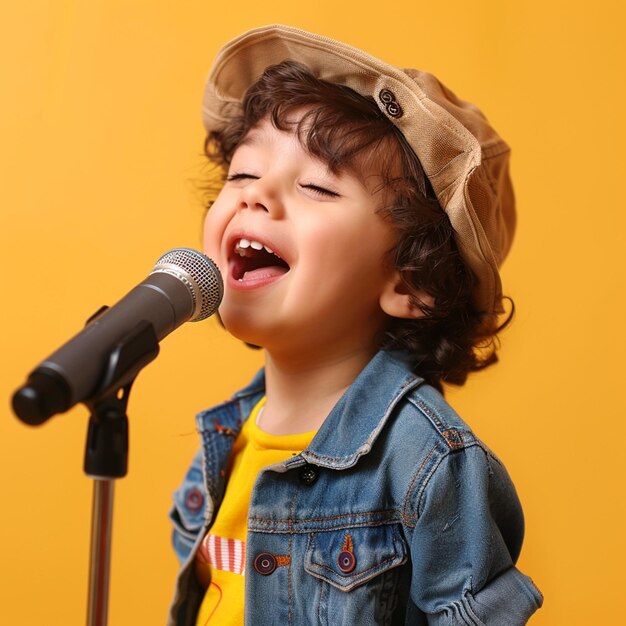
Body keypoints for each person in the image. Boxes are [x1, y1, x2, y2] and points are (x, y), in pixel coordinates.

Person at [167, 24, 543, 626]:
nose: (256, 196)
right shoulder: (226, 438)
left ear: (410, 281)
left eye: (316, 186)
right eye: (241, 175)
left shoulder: (426, 462)